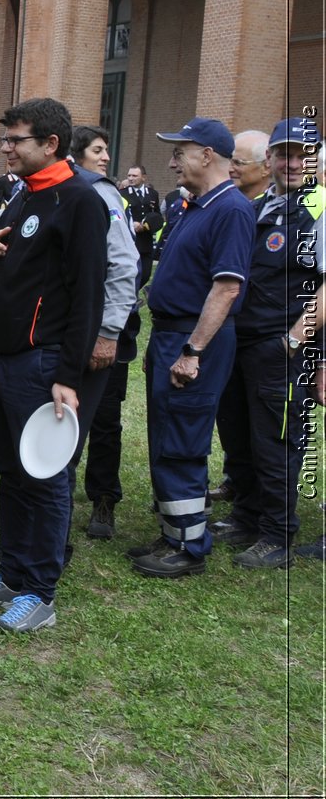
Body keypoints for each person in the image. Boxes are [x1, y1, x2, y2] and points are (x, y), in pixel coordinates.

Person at [0, 99, 107, 633]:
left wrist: (67, 375)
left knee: (43, 475)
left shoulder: (80, 201)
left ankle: (40, 591)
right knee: (12, 472)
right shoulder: (21, 192)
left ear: (50, 144)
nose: (6, 149)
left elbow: (88, 294)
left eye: (16, 140)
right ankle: (13, 574)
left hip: (42, 362)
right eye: (6, 140)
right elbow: (3, 264)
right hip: (4, 354)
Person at [129, 118, 254, 578]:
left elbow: (225, 289)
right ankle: (173, 533)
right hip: (171, 336)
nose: (171, 160)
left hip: (195, 340)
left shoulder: (232, 210)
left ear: (207, 155)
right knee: (166, 436)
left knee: (183, 439)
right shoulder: (195, 207)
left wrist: (192, 351)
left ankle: (189, 548)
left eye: (180, 152)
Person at [208, 118, 322, 569]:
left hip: (281, 350)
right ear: (270, 158)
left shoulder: (320, 206)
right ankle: (248, 517)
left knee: (277, 442)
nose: (291, 162)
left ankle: (278, 535)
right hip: (244, 342)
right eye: (283, 153)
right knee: (241, 437)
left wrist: (293, 341)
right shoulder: (262, 205)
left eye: (301, 154)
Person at [67, 125, 144, 540]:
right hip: (74, 330)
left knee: (105, 417)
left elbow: (124, 264)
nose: (105, 157)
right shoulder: (69, 188)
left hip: (106, 331)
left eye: (106, 149)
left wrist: (110, 331)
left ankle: (103, 499)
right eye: (97, 149)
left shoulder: (103, 192)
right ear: (75, 153)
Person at [121, 165, 162, 283]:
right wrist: (131, 224)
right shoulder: (122, 194)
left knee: (145, 275)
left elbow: (157, 214)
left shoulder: (153, 194)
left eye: (134, 176)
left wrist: (147, 224)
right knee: (132, 275)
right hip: (130, 241)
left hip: (146, 241)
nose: (130, 178)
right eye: (129, 175)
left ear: (143, 177)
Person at [230, 130, 272, 201]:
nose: (229, 169)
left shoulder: (275, 208)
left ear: (266, 168)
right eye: (228, 161)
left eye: (238, 163)